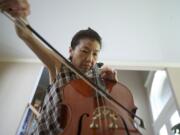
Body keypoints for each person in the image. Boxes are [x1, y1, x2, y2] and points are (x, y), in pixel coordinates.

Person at [0, 0, 121, 135]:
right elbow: (26, 35)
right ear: (71, 51)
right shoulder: (60, 65)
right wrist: (20, 16)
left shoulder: (98, 80)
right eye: (84, 51)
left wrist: (111, 86)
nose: (90, 59)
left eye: (95, 54)